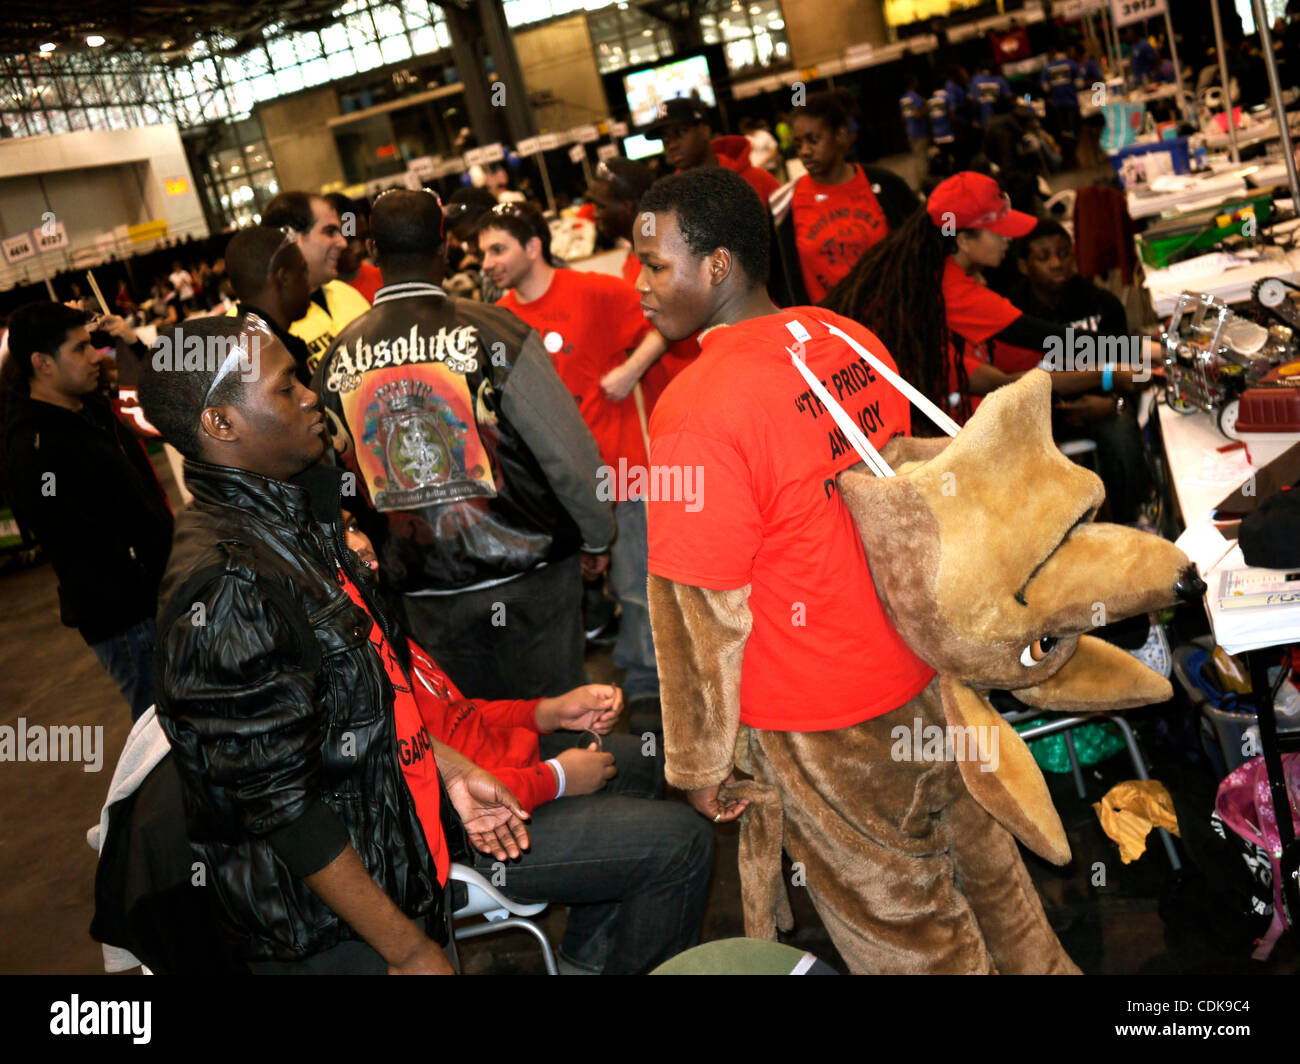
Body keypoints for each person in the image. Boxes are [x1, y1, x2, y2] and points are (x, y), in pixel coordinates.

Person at [635, 167, 994, 973]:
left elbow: (699, 610)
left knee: (907, 934)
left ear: (717, 266)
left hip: (820, 721)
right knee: (986, 889)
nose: (641, 286)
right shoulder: (845, 337)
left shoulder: (694, 409)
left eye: (656, 265)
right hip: (923, 676)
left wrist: (699, 762)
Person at [137, 313, 503, 974]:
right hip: (338, 932)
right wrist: (406, 949)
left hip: (399, 867)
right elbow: (282, 806)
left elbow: (358, 712)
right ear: (222, 424)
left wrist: (445, 765)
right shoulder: (226, 583)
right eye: (286, 388)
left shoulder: (293, 516)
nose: (311, 394)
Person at [339, 508, 714, 974]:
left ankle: (587, 957)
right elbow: (432, 792)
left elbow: (460, 715)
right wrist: (554, 779)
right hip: (480, 835)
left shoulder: (375, 618)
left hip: (504, 781)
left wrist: (548, 711)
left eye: (354, 526)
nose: (358, 544)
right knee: (686, 842)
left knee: (640, 760)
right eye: (336, 535)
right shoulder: (346, 657)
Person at [316, 190, 615, 706]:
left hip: (423, 592)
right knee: (565, 729)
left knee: (479, 742)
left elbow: (334, 482)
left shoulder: (337, 360)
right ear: (446, 248)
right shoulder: (495, 330)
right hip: (531, 576)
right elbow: (567, 454)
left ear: (371, 250)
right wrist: (596, 535)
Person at [479, 200, 665, 724]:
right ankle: (585, 692)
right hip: (556, 488)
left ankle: (649, 687)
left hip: (619, 468)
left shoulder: (595, 290)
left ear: (533, 247)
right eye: (482, 252)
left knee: (636, 584)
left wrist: (630, 371)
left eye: (498, 248)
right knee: (578, 593)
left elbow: (662, 323)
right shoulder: (501, 322)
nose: (487, 262)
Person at [824, 172, 1146, 426]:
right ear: (963, 240)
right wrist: (1140, 353)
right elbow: (1051, 339)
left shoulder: (928, 279)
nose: (1008, 238)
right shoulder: (950, 290)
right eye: (998, 231)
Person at [3, 302, 173, 722]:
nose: (97, 356)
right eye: (80, 349)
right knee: (164, 737)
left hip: (159, 596)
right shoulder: (35, 445)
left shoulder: (89, 408)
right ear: (41, 363)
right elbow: (76, 544)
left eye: (92, 345)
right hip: (128, 620)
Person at [996, 219, 1152, 522]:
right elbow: (1005, 384)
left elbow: (1138, 370)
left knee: (1120, 433)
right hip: (1038, 411)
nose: (1057, 264)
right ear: (1024, 266)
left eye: (1064, 254)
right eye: (1043, 257)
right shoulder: (1011, 314)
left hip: (1103, 402)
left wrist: (1114, 401)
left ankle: (1134, 522)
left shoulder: (1102, 304)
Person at [770, 91, 920, 307]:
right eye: (798, 143)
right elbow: (779, 281)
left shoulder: (886, 185)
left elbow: (922, 246)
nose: (804, 151)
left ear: (841, 134)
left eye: (813, 140)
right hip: (829, 334)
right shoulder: (782, 205)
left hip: (892, 324)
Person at [262, 190, 371, 375]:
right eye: (330, 232)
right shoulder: (249, 329)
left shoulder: (346, 293)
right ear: (291, 238)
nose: (343, 243)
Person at [648, 98, 780, 206]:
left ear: (704, 130)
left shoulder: (758, 180)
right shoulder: (671, 198)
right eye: (665, 138)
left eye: (681, 132)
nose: (672, 145)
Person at [224, 225, 314, 384]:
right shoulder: (269, 360)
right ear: (284, 278)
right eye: (303, 271)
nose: (310, 283)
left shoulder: (245, 349)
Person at [324, 192, 383, 304]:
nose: (359, 249)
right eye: (349, 240)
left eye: (362, 238)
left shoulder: (382, 278)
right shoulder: (320, 296)